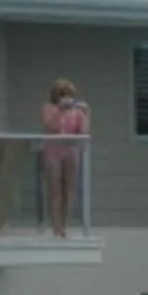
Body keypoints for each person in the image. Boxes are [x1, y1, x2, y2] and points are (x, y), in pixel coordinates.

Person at [40, 78, 89, 238]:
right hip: (53, 151)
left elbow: (84, 132)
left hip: (71, 151)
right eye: (62, 94)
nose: (66, 98)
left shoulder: (76, 111)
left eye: (69, 95)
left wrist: (85, 113)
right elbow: (49, 127)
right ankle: (56, 227)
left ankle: (65, 226)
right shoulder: (48, 108)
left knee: (69, 190)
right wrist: (60, 111)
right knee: (55, 191)